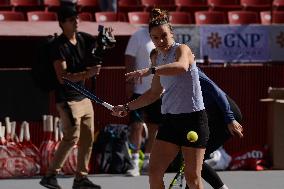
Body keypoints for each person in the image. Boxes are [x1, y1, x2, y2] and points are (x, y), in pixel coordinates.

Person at [112, 8, 209, 189]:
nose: (160, 41)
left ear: (171, 33)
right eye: (155, 38)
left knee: (192, 178)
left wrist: (149, 70)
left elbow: (180, 67)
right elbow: (153, 93)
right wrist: (126, 107)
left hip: (193, 120)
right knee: (154, 174)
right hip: (170, 121)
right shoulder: (158, 60)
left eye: (164, 35)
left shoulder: (182, 49)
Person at [39, 4, 114, 189]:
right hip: (67, 100)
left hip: (84, 97)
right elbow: (62, 77)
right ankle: (50, 175)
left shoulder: (82, 38)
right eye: (72, 19)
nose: (76, 22)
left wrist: (107, 41)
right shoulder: (58, 46)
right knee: (72, 137)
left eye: (77, 18)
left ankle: (81, 178)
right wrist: (87, 74)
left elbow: (101, 45)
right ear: (62, 23)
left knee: (88, 138)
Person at [183, 67, 244, 189]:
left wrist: (230, 118)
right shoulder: (169, 80)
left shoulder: (189, 71)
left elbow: (217, 92)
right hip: (211, 117)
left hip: (225, 115)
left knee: (194, 160)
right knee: (193, 161)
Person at [124, 26, 162, 176]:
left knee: (154, 126)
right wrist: (129, 82)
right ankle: (134, 162)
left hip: (158, 90)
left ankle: (147, 161)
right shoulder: (138, 35)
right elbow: (129, 57)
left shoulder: (164, 38)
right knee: (136, 126)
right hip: (139, 90)